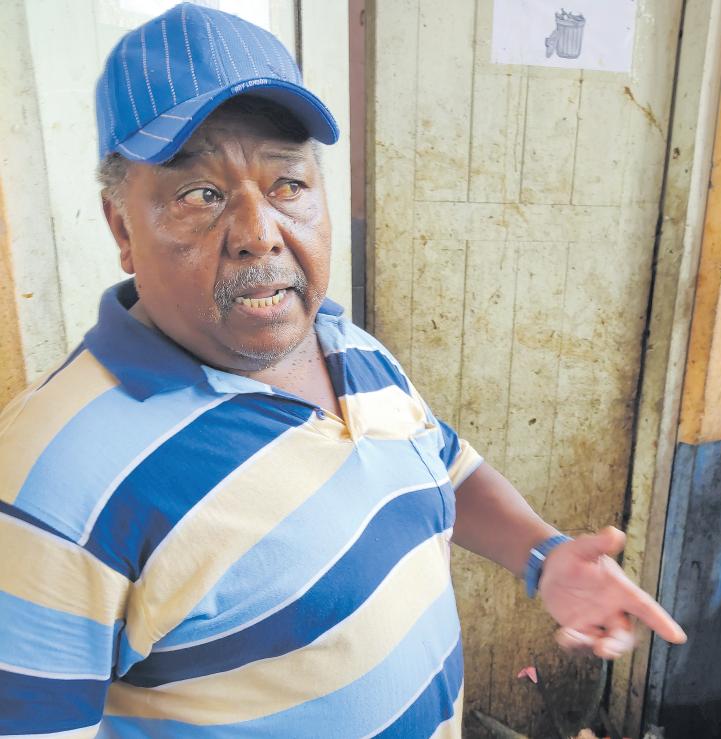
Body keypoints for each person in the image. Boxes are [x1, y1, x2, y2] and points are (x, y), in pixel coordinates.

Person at [0, 4, 685, 737]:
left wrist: (544, 554)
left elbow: (441, 467)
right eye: (200, 194)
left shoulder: (342, 342)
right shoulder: (52, 477)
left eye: (287, 184)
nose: (259, 234)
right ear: (122, 228)